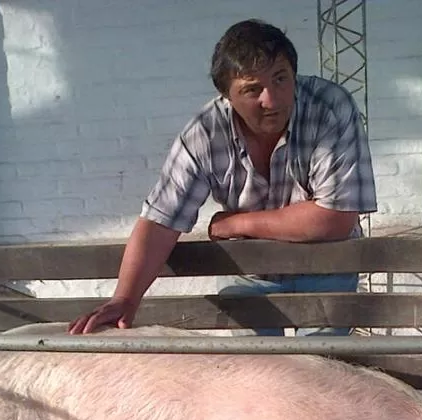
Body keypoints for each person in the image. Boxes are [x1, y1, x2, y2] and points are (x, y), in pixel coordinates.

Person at [68, 19, 377, 337]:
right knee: (253, 377)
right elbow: (160, 221)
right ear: (226, 96)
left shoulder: (329, 108)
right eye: (252, 89)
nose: (271, 99)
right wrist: (124, 299)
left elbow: (335, 219)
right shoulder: (205, 133)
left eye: (281, 79)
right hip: (249, 269)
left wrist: (236, 223)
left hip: (325, 264)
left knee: (320, 375)